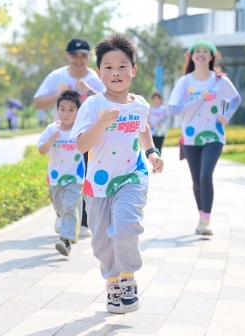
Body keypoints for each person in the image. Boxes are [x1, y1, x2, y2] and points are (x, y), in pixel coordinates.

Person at [71, 34, 163, 314]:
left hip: (131, 176)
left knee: (125, 228)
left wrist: (152, 153)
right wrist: (101, 122)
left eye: (122, 66)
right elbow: (81, 145)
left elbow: (143, 128)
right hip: (98, 185)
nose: (116, 72)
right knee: (101, 241)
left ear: (134, 70)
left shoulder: (140, 104)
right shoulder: (94, 106)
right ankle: (112, 281)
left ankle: (128, 279)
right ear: (98, 73)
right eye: (108, 67)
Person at [33, 37, 106, 238]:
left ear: (89, 56)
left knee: (84, 176)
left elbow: (109, 101)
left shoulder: (95, 78)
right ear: (68, 55)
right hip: (62, 137)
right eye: (75, 55)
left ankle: (82, 222)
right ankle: (62, 214)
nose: (79, 59)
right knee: (61, 178)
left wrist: (88, 91)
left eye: (83, 55)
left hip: (88, 135)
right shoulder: (57, 76)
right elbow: (37, 103)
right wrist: (62, 95)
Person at [167, 40, 241, 236]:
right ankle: (201, 217)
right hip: (190, 137)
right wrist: (198, 98)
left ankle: (206, 221)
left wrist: (227, 116)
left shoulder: (220, 81)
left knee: (206, 175)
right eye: (196, 51)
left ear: (211, 57)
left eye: (205, 51)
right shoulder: (185, 82)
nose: (200, 54)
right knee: (197, 180)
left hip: (214, 135)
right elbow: (174, 109)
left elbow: (235, 99)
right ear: (191, 57)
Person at [37, 90, 84, 257]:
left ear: (78, 111)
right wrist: (50, 141)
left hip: (75, 177)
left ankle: (66, 239)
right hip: (56, 178)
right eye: (62, 109)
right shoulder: (51, 129)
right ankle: (71, 226)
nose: (66, 113)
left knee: (71, 206)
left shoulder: (80, 130)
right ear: (57, 110)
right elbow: (42, 150)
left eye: (71, 109)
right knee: (61, 208)